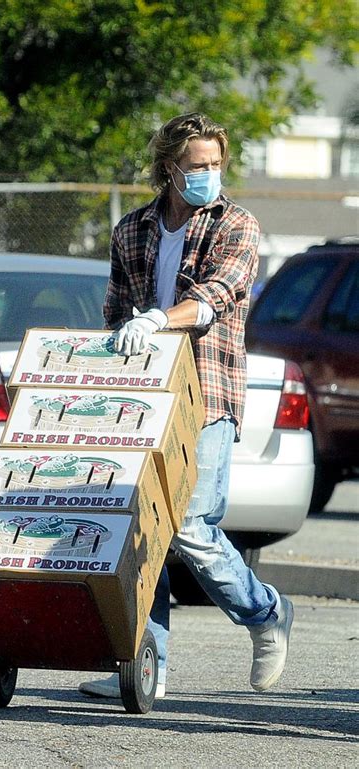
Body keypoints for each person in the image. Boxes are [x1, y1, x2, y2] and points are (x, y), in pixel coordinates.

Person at [79, 112, 293, 699]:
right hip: (146, 397)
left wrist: (158, 320)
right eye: (198, 165)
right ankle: (147, 663)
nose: (209, 175)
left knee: (191, 527)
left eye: (216, 164)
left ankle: (266, 612)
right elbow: (115, 311)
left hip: (207, 390)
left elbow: (217, 295)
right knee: (142, 529)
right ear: (169, 167)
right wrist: (119, 343)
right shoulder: (132, 231)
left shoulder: (237, 225)